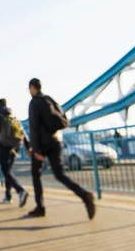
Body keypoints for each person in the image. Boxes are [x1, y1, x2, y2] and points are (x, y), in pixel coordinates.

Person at [27, 78, 96, 219]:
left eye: (29, 88)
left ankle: (40, 207)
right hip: (56, 141)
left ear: (32, 88)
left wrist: (36, 149)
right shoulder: (50, 100)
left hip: (42, 144)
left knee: (36, 174)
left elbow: (34, 127)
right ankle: (84, 195)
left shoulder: (34, 102)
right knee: (60, 175)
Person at [0, 98, 29, 206]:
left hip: (3, 147)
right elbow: (22, 132)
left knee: (6, 171)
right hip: (14, 147)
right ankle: (8, 195)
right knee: (8, 171)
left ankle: (20, 191)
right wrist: (28, 146)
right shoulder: (13, 117)